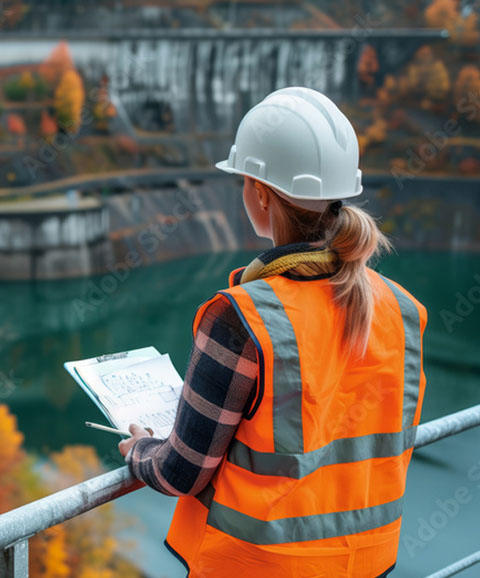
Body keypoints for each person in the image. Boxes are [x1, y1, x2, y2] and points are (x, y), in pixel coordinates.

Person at [117, 87, 427, 577]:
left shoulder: (240, 318)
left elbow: (179, 471)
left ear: (259, 192)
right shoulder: (403, 310)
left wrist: (139, 450)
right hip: (368, 563)